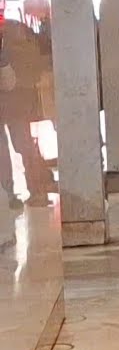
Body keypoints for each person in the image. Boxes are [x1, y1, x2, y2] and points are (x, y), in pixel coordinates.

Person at [0, 18, 55, 209]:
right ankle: (37, 190)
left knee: (7, 148)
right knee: (25, 146)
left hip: (10, 97)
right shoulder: (16, 28)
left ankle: (9, 194)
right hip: (20, 99)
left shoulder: (11, 31)